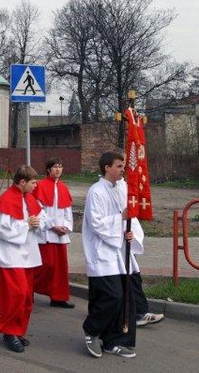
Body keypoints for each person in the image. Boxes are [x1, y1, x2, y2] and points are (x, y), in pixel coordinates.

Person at [81, 149, 139, 359]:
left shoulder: (120, 188)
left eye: (123, 166)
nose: (123, 170)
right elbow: (96, 223)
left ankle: (115, 340)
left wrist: (131, 233)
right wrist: (120, 219)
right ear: (107, 168)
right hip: (102, 251)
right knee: (111, 296)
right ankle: (92, 330)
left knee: (125, 299)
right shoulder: (96, 191)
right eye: (119, 166)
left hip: (120, 251)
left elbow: (130, 217)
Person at [0, 165, 48, 353]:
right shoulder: (5, 201)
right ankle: (9, 331)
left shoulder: (29, 198)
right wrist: (27, 225)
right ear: (22, 182)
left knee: (26, 298)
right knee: (16, 296)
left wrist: (39, 224)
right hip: (11, 256)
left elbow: (42, 218)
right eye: (33, 183)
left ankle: (18, 330)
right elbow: (2, 231)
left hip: (28, 255)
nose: (35, 186)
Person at [32, 158, 75, 308]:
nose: (58, 169)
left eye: (60, 166)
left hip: (60, 234)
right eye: (55, 167)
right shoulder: (40, 186)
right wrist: (52, 226)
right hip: (46, 234)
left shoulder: (63, 187)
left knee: (60, 269)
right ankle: (29, 286)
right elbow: (38, 209)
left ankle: (58, 297)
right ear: (49, 169)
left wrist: (66, 227)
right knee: (47, 266)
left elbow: (67, 210)